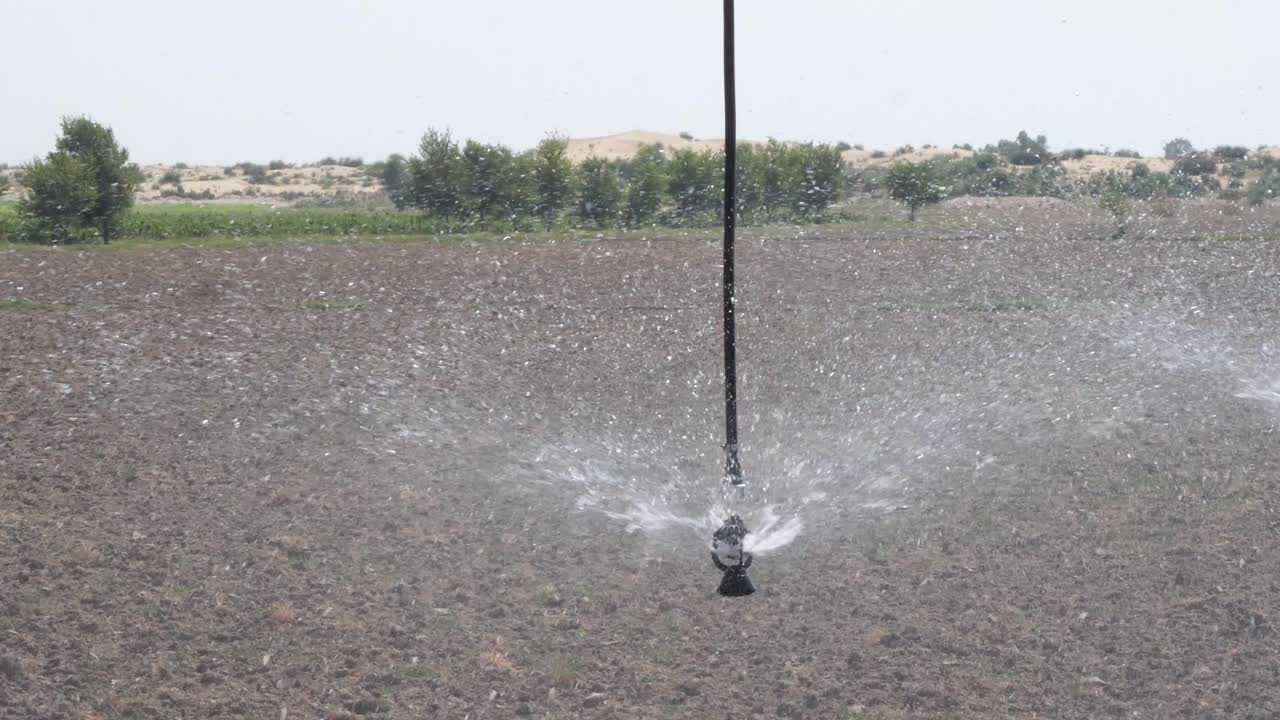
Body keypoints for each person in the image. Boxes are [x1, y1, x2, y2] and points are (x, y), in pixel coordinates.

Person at [710, 514, 755, 597]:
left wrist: (713, 551)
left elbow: (718, 562)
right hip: (737, 570)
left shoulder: (722, 532)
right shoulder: (744, 532)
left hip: (735, 570)